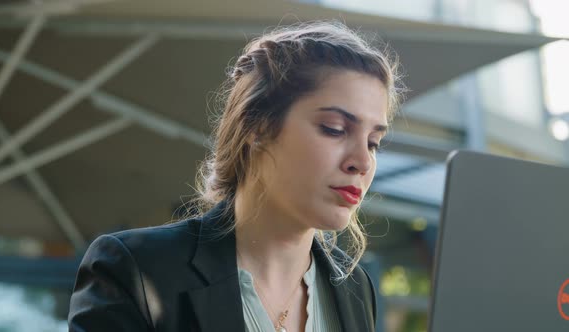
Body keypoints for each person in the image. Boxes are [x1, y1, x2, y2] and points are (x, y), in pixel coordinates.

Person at [68, 20, 403, 332]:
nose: (362, 161)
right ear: (257, 126)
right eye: (334, 129)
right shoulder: (136, 269)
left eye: (374, 143)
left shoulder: (355, 288)